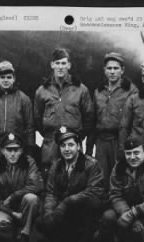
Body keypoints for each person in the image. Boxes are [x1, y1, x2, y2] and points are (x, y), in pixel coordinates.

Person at [35, 127, 106, 242]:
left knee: (91, 205)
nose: (67, 149)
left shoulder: (91, 165)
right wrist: (50, 212)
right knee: (41, 222)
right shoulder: (56, 166)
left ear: (78, 146)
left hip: (84, 212)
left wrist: (67, 201)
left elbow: (94, 191)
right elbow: (51, 192)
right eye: (63, 146)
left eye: (71, 145)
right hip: (66, 212)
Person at [34, 48, 94, 178]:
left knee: (74, 176)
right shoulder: (42, 91)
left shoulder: (81, 90)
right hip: (51, 144)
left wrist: (77, 137)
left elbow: (88, 117)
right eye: (57, 63)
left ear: (69, 65)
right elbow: (37, 118)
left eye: (63, 63)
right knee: (50, 178)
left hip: (72, 142)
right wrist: (49, 134)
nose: (60, 67)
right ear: (52, 65)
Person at [89, 52, 138, 190]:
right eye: (109, 68)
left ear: (122, 70)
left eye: (116, 68)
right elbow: (93, 121)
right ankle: (104, 209)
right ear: (104, 70)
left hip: (120, 140)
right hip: (101, 142)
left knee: (120, 177)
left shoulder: (131, 90)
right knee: (101, 178)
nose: (112, 72)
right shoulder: (98, 92)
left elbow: (134, 121)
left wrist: (127, 146)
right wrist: (89, 147)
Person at [0, 132, 44, 242]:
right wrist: (12, 213)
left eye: (16, 150)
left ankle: (25, 236)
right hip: (6, 208)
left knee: (31, 198)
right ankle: (12, 236)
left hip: (25, 207)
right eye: (9, 150)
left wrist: (14, 195)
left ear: (21, 150)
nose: (12, 154)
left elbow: (36, 185)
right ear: (2, 151)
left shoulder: (29, 163)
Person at [0, 61, 35, 165]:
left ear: (14, 78)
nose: (5, 80)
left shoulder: (24, 99)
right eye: (2, 77)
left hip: (17, 143)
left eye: (9, 77)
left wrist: (30, 150)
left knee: (17, 175)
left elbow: (30, 126)